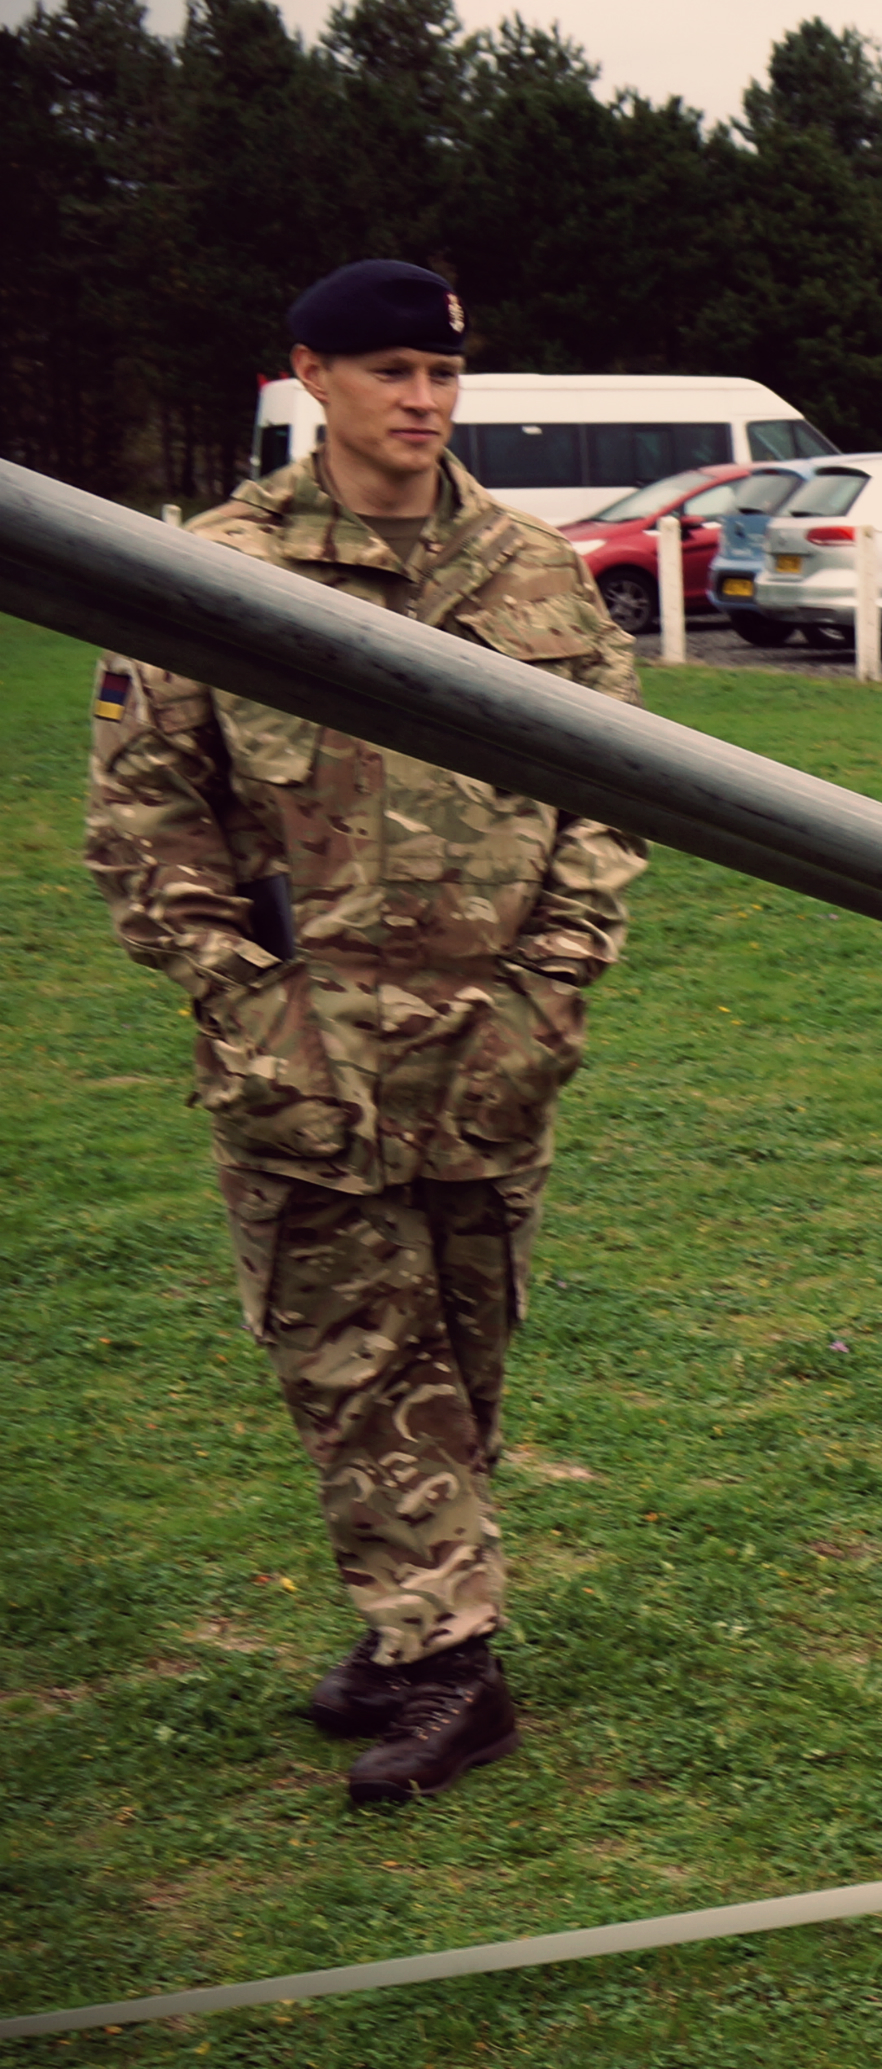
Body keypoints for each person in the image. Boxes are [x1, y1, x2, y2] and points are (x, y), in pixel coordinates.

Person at [85, 259, 648, 1801]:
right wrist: (242, 1003)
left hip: (494, 1046)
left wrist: (555, 985)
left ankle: (414, 1620)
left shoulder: (533, 572)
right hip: (303, 1048)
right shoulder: (216, 571)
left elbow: (616, 800)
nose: (421, 401)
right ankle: (451, 1665)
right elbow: (148, 824)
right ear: (309, 376)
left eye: (441, 372)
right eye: (388, 370)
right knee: (349, 1356)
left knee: (461, 1356)